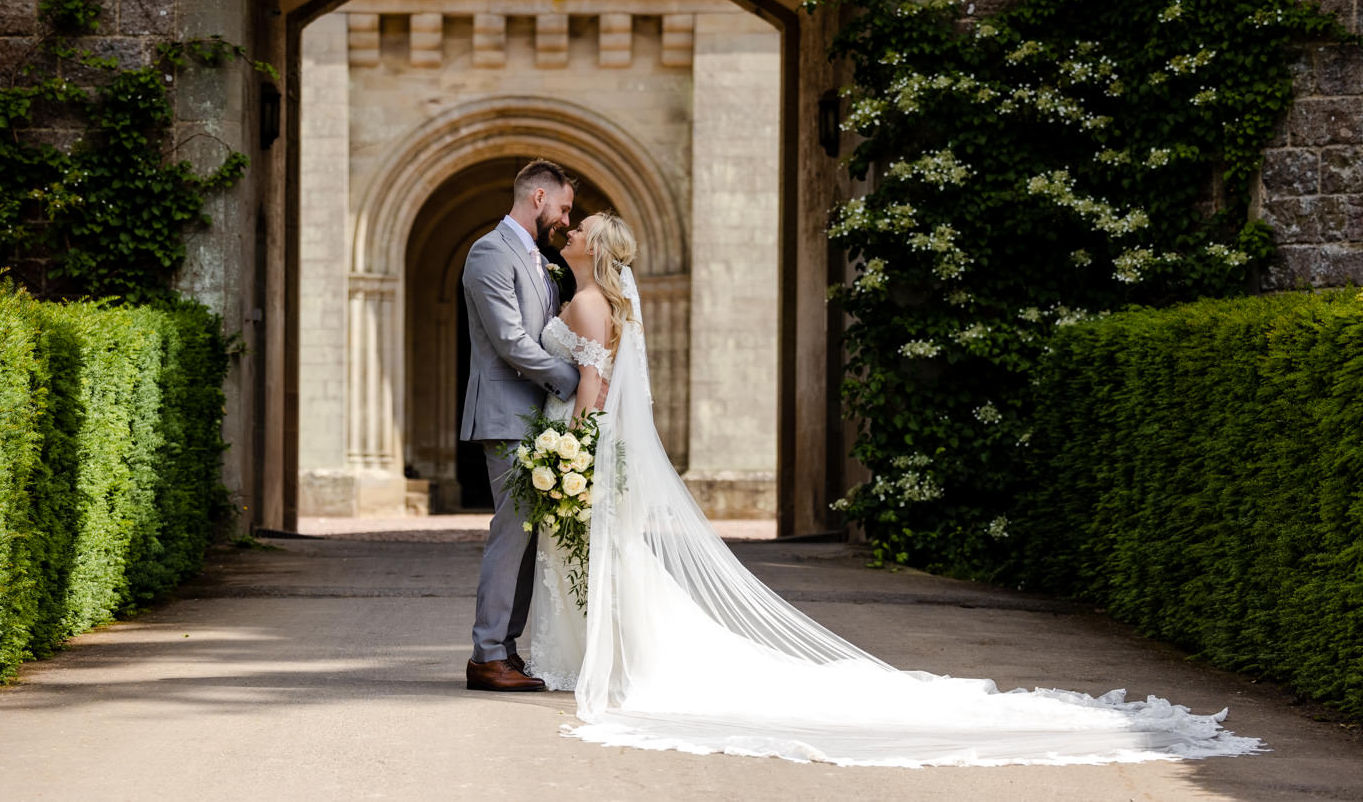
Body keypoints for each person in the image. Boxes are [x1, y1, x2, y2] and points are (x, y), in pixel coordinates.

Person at [522, 210, 1262, 766]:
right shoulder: (600, 299)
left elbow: (594, 383)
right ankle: (604, 653)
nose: (572, 229)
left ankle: (604, 659)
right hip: (591, 447)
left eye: (581, 227)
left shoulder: (588, 304)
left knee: (601, 552)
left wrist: (574, 449)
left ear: (599, 247)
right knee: (609, 555)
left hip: (581, 441)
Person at [460, 159, 580, 691]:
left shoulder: (540, 258)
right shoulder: (489, 252)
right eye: (564, 206)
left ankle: (504, 650)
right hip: (508, 414)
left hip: (537, 414)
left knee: (529, 537)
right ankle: (487, 654)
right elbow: (510, 340)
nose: (565, 217)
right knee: (512, 534)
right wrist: (573, 379)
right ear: (537, 197)